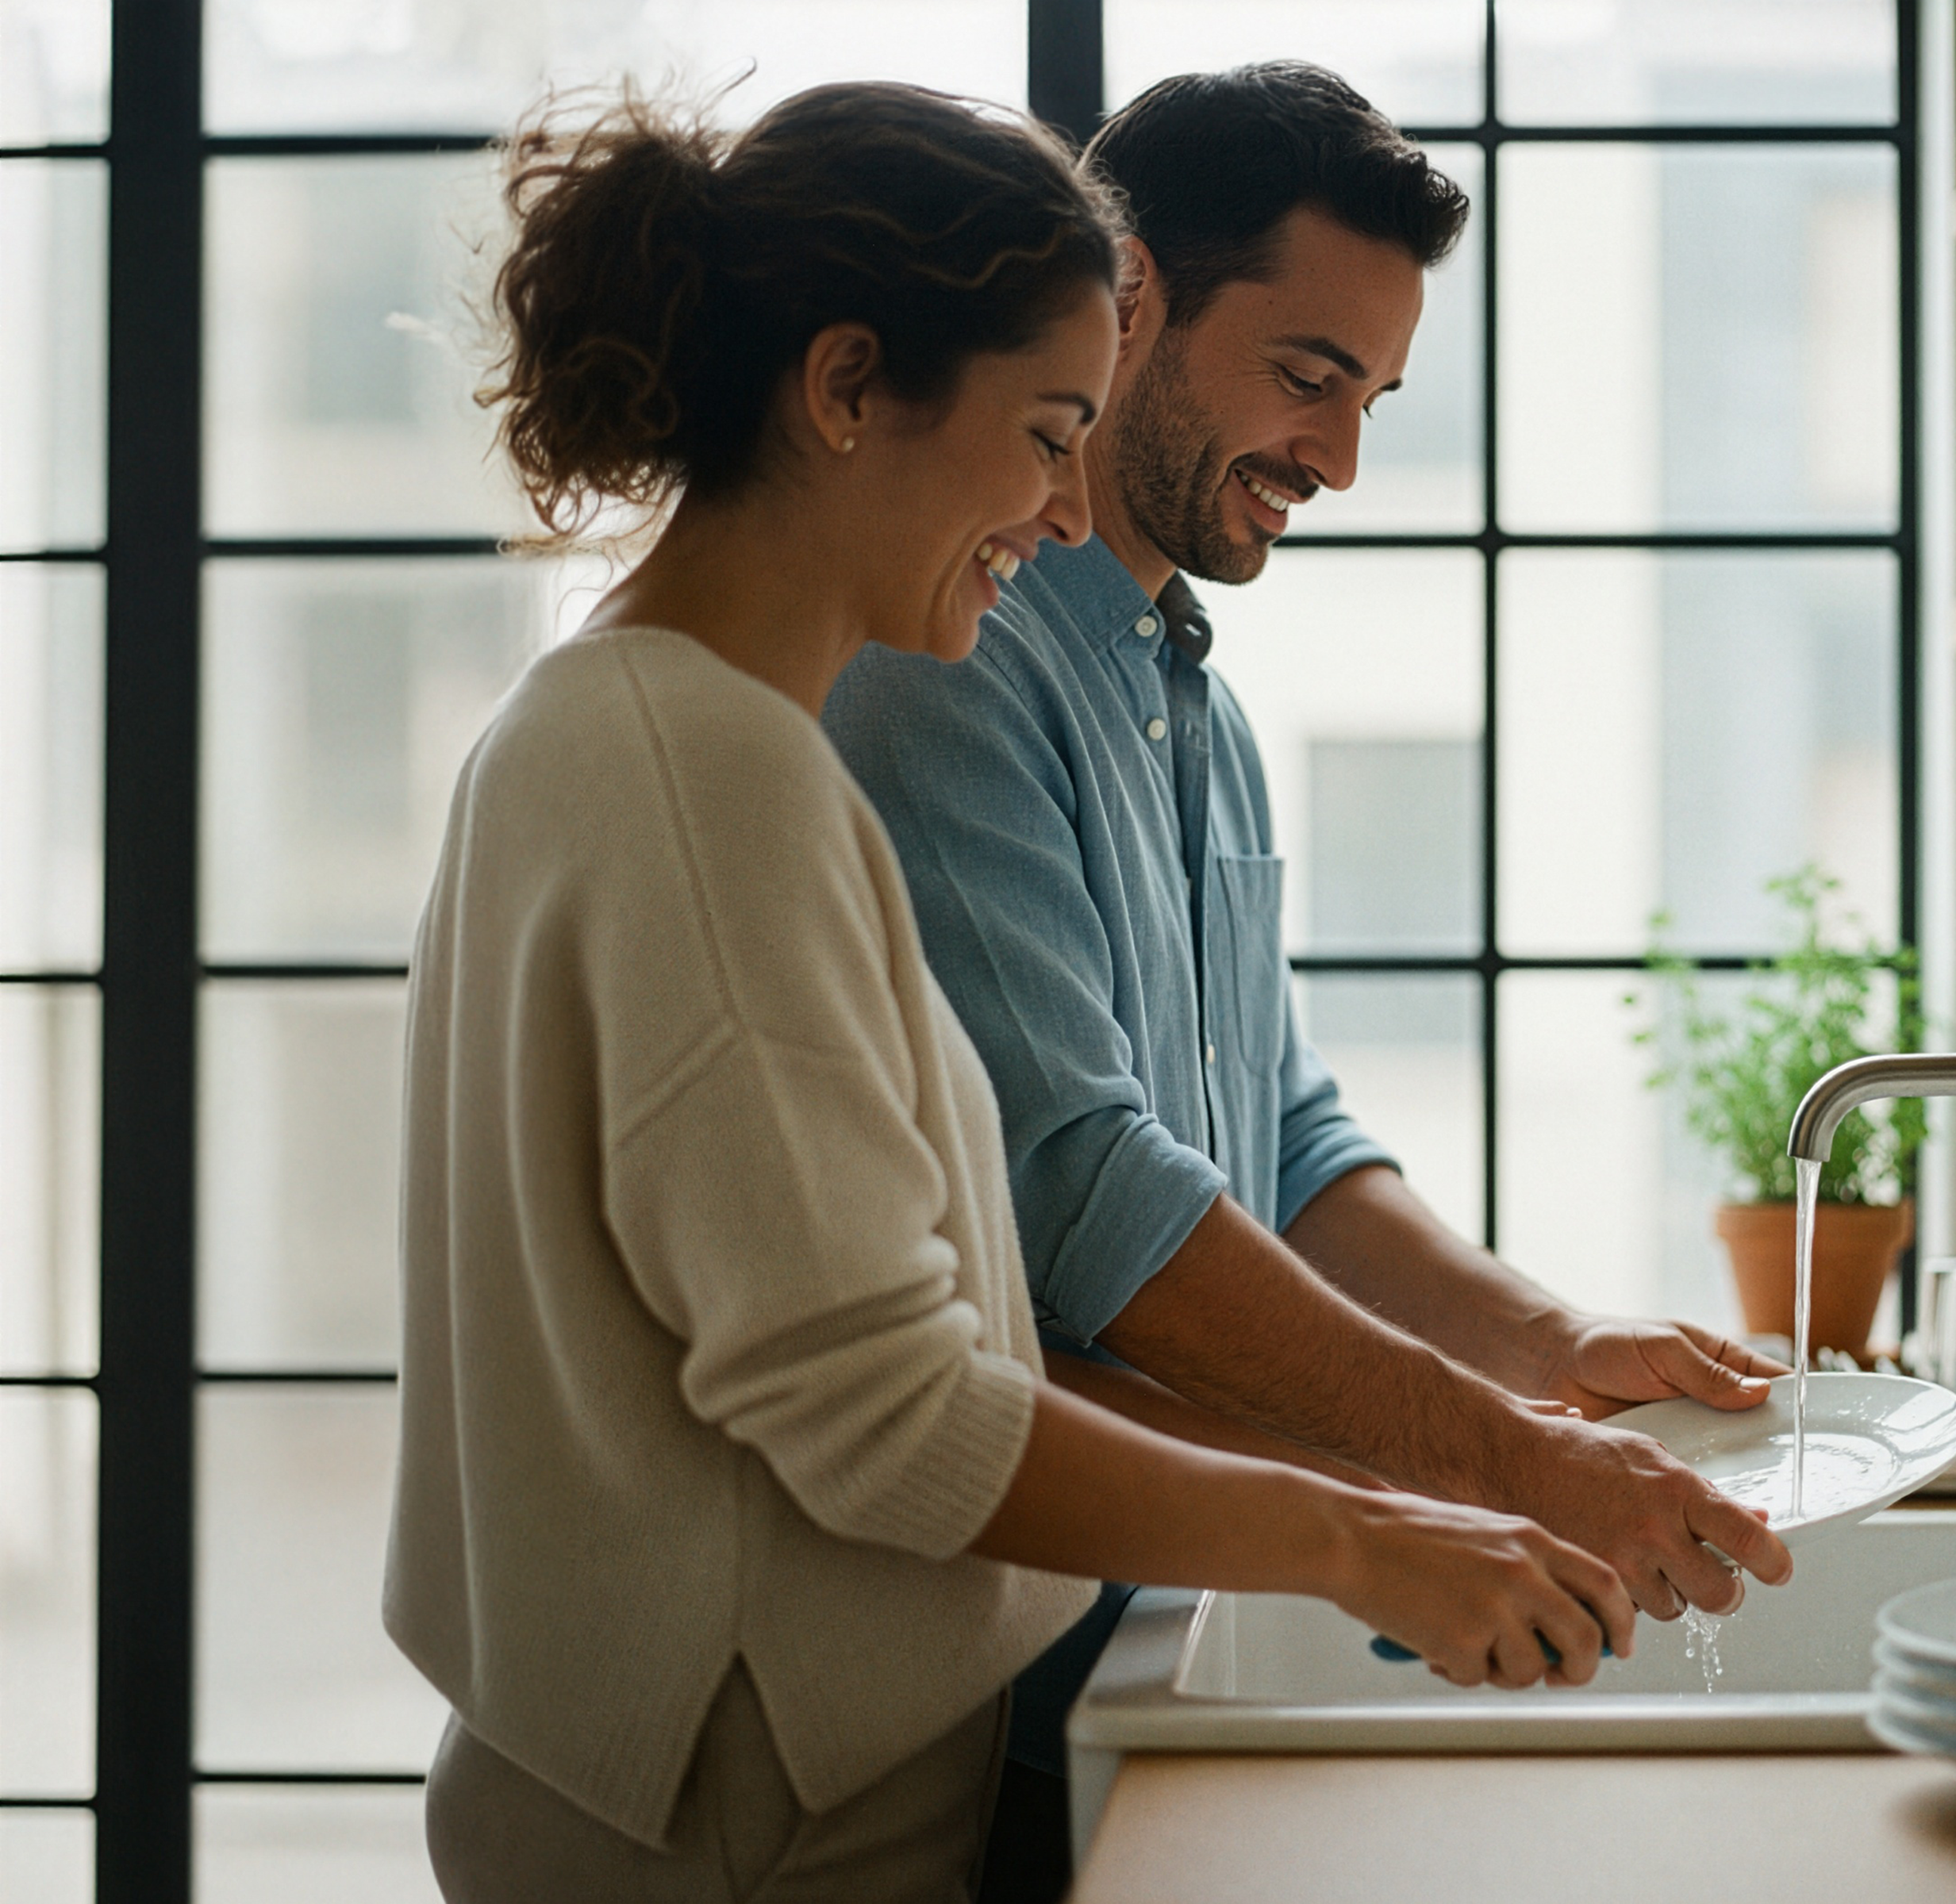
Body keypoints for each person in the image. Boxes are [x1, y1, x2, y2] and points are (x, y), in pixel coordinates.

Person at [386, 83, 1635, 1904]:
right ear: (840, 391)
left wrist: (1466, 1435)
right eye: (1048, 431)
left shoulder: (648, 732)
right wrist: (1373, 1534)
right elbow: (894, 1411)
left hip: (701, 1787)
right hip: (742, 1826)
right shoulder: (702, 769)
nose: (1063, 508)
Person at [820, 62, 1797, 1880]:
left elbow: (1286, 1137)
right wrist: (1492, 1457)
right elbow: (1089, 1197)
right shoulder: (951, 662)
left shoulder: (1202, 705)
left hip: (1173, 1605)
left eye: (1374, 398)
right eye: (1309, 377)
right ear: (1132, 298)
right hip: (994, 1669)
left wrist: (1547, 1340)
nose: (1342, 459)